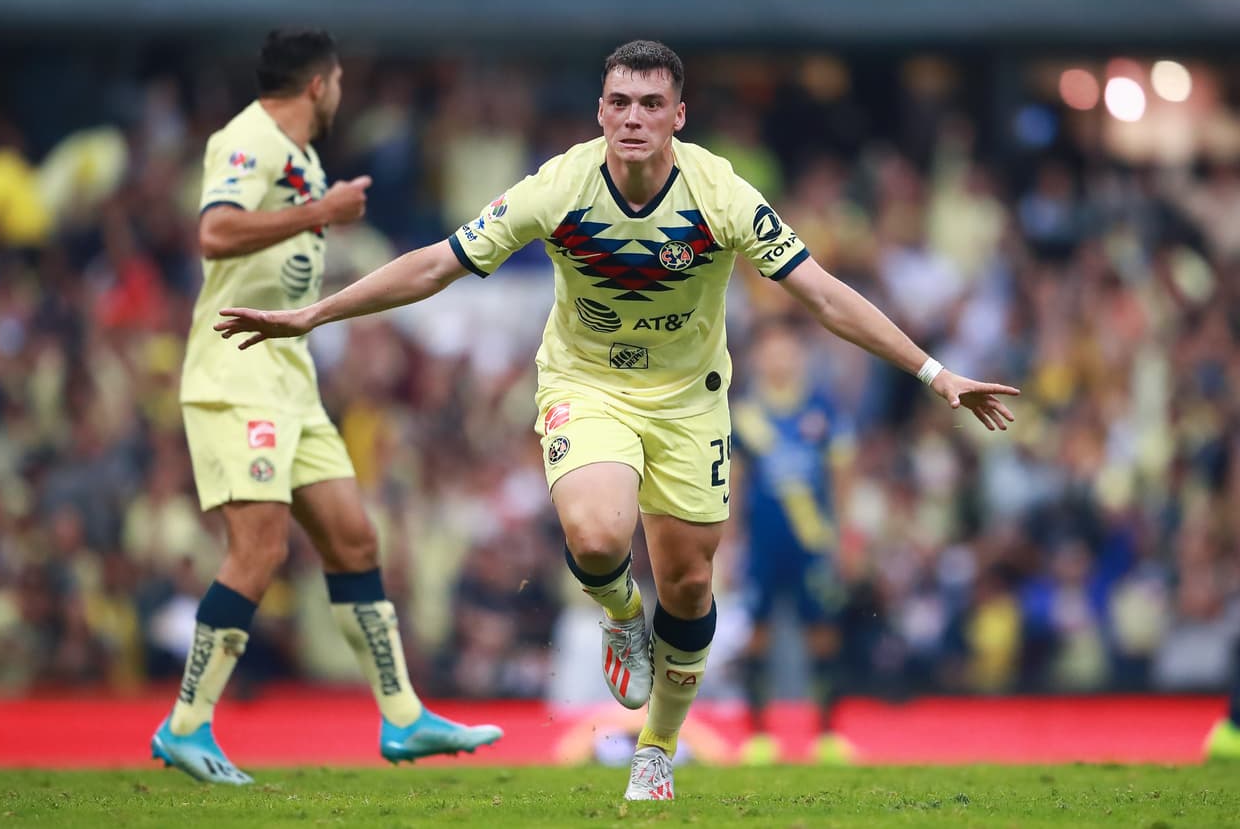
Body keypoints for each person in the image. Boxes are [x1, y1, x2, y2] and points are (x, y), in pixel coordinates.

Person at [214, 39, 1020, 799]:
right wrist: (314, 315)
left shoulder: (720, 194)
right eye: (619, 102)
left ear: (678, 116)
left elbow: (822, 293)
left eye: (650, 103)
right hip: (586, 384)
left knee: (691, 582)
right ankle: (622, 619)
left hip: (690, 399)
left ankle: (656, 750)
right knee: (599, 538)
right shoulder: (558, 187)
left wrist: (933, 371)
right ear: (601, 113)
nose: (633, 116)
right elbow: (435, 264)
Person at [152, 28, 501, 785]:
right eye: (338, 81)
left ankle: (403, 715)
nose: (341, 93)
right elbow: (214, 232)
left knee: (354, 538)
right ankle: (186, 724)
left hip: (292, 379)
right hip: (237, 374)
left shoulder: (303, 161)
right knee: (259, 550)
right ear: (319, 85)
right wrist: (319, 214)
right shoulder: (248, 139)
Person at [731, 316, 856, 766]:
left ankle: (826, 735)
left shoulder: (822, 410)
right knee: (757, 634)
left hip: (813, 543)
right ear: (758, 358)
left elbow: (841, 478)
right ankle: (759, 736)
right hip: (763, 545)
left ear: (801, 355)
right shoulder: (744, 414)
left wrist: (844, 538)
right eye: (770, 349)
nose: (779, 358)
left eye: (787, 349)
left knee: (822, 634)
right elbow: (736, 484)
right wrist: (728, 548)